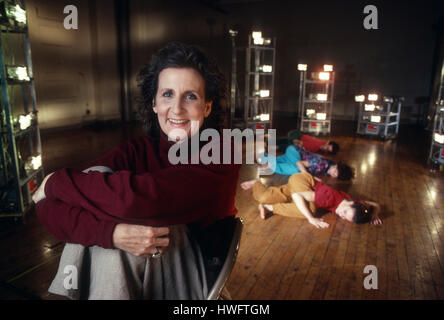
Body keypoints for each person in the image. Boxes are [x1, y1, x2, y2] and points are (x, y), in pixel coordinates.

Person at [32, 42, 241, 299]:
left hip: (195, 279)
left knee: (136, 221)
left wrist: (53, 182)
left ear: (207, 107)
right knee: (101, 187)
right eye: (167, 94)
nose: (176, 109)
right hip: (142, 272)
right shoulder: (138, 149)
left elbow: (147, 200)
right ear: (154, 103)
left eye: (191, 96)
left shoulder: (222, 151)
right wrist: (111, 234)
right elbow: (45, 207)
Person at [240, 172, 381, 229]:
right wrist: (310, 219)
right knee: (311, 211)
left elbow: (375, 204)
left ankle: (258, 187)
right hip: (302, 181)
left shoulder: (353, 202)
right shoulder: (329, 197)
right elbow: (298, 196)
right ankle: (269, 206)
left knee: (263, 197)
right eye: (344, 212)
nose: (340, 215)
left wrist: (372, 215)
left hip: (304, 190)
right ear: (350, 204)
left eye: (344, 217)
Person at [258, 145, 353, 180]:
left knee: (287, 162)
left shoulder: (326, 167)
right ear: (335, 166)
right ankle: (270, 165)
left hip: (294, 153)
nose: (333, 174)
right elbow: (300, 163)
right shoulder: (322, 164)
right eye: (335, 171)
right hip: (295, 152)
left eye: (336, 175)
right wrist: (309, 176)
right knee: (296, 170)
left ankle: (265, 157)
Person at [276, 129, 340, 154]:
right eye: (328, 147)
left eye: (328, 150)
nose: (326, 148)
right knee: (289, 146)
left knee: (286, 142)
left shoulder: (319, 147)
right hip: (297, 136)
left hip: (297, 136)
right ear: (328, 143)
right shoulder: (318, 145)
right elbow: (300, 143)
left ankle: (270, 141)